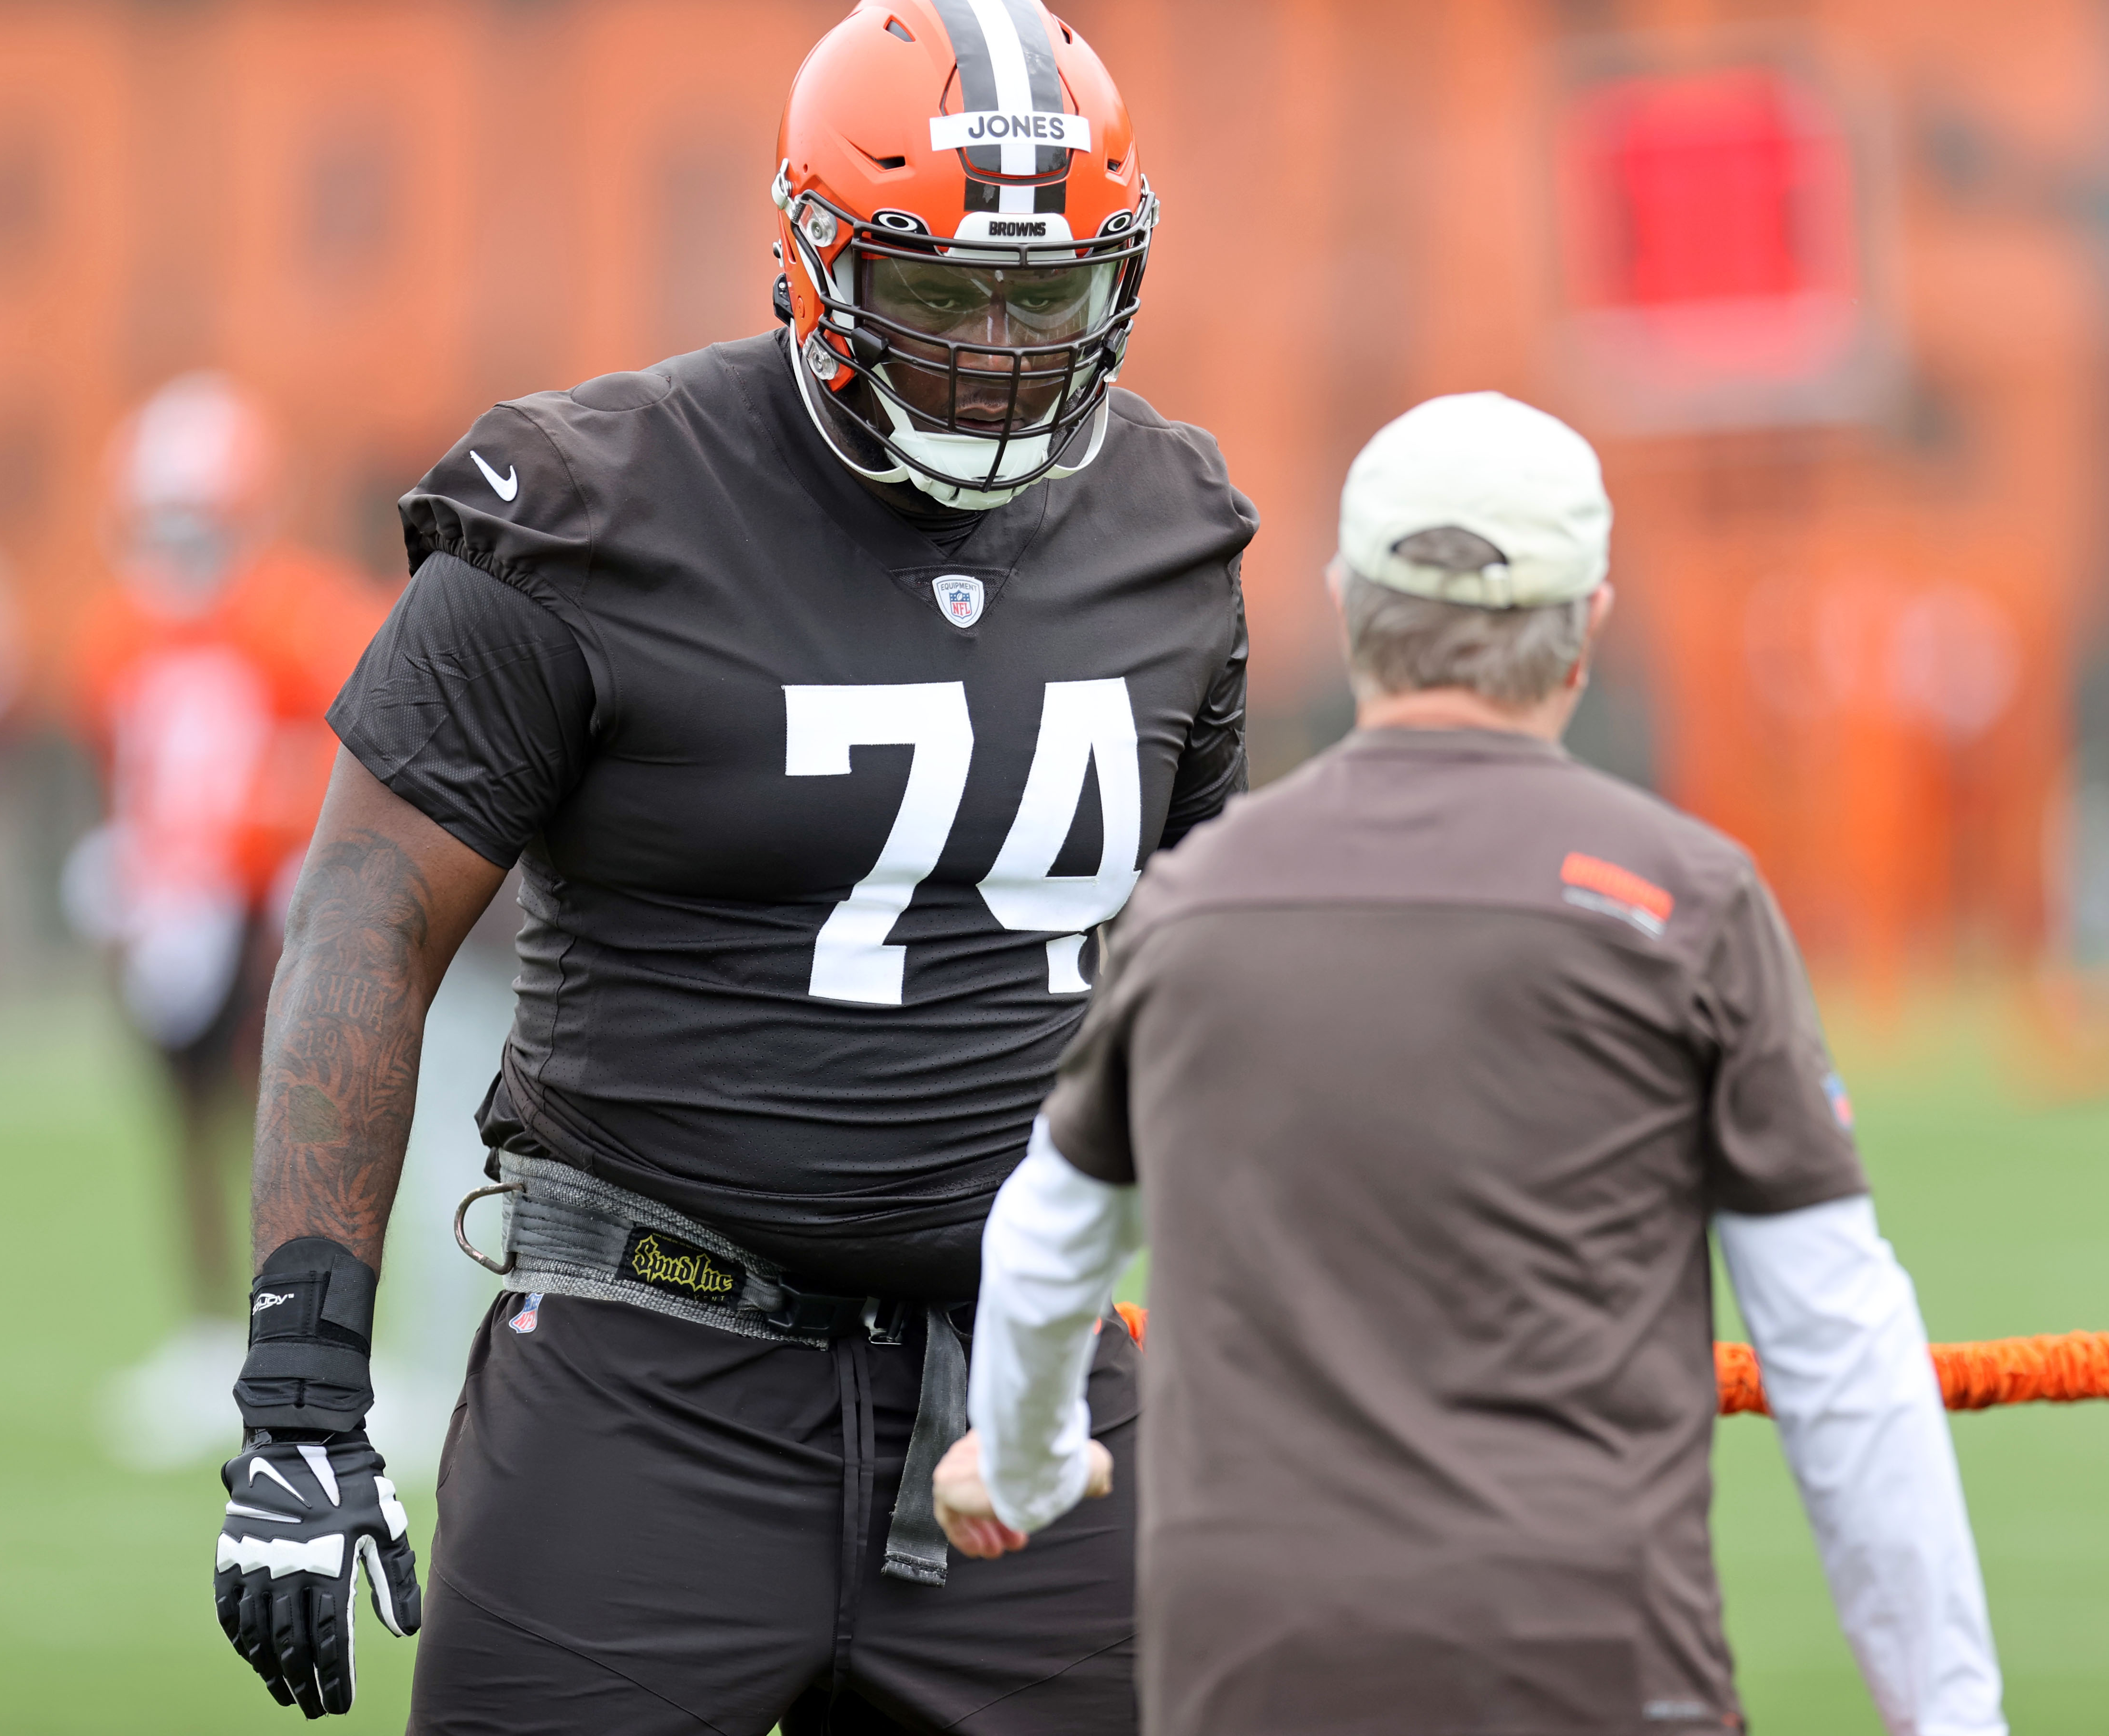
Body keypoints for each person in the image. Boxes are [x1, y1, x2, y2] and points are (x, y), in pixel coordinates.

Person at [209, 1, 1254, 1725]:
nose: (994, 347)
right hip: (649, 1380)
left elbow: (1221, 970)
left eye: (1045, 292)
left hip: (1025, 1400)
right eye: (932, 291)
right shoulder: (587, 506)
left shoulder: (1171, 530)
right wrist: (302, 1384)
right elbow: (361, 919)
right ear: (810, 255)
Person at [936, 393, 2008, 1736]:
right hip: (1591, 1664)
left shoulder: (1191, 902)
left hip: (1253, 1674)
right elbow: (1840, 1348)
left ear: (1341, 602)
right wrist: (1948, 1713)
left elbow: (1042, 1244)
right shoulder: (1686, 903)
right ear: (1587, 627)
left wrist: (1027, 1468)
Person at [68, 372, 386, 1470]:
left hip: (275, 900)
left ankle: (303, 1342)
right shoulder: (121, 631)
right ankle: (211, 1334)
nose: (178, 538)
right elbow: (120, 767)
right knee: (187, 1126)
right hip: (174, 908)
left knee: (290, 1128)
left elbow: (356, 750)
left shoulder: (299, 613)